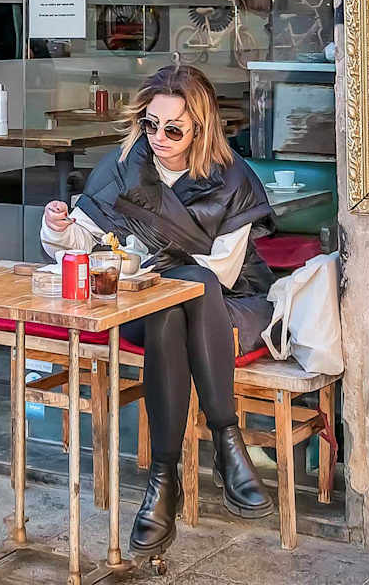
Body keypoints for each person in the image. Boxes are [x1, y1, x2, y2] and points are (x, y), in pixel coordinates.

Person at [41, 63, 277, 558]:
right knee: (170, 300)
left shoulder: (231, 176)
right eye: (151, 125)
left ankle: (161, 481)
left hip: (226, 305)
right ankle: (226, 441)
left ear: (200, 128)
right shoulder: (125, 165)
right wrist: (62, 227)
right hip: (145, 299)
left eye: (173, 128)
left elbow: (224, 271)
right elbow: (82, 243)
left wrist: (154, 263)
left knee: (185, 291)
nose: (159, 137)